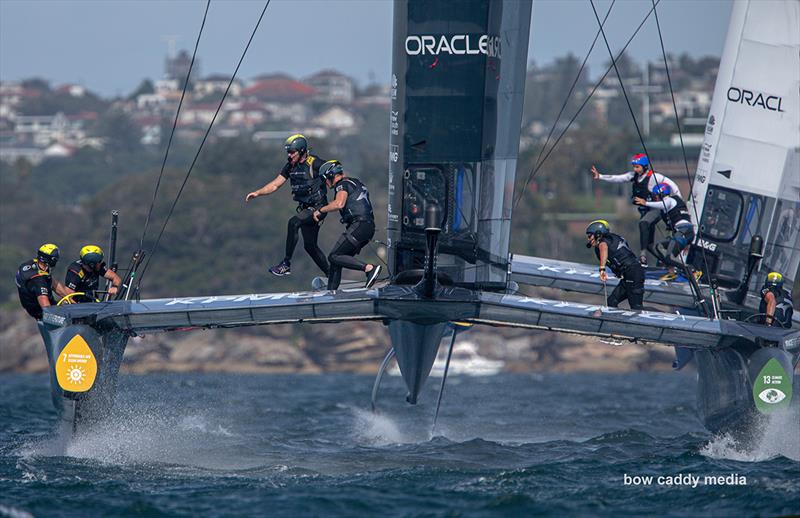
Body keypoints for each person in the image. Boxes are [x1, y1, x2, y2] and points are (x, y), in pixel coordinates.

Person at [245, 134, 329, 277]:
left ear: (302, 151)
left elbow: (335, 172)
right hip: (305, 209)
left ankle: (286, 264)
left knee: (293, 223)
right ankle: (331, 274)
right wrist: (258, 193)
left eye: (292, 152)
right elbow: (275, 184)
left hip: (318, 207)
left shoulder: (315, 163)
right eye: (288, 153)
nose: (289, 156)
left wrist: (345, 192)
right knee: (310, 246)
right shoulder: (290, 166)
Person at [591, 154, 681, 266]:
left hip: (656, 209)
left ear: (644, 166)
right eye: (634, 166)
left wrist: (678, 200)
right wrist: (600, 176)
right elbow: (618, 178)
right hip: (645, 211)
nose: (635, 169)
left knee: (643, 223)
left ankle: (642, 257)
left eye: (637, 167)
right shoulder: (633, 176)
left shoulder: (654, 177)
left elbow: (673, 185)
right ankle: (666, 261)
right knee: (649, 245)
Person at [312, 160, 382, 290]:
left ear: (331, 175)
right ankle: (331, 292)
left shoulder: (342, 185)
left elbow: (339, 204)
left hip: (359, 226)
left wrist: (320, 210)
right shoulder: (355, 181)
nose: (326, 184)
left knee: (334, 256)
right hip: (367, 227)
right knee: (337, 260)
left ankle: (369, 268)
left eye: (325, 180)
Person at [634, 182, 694, 278]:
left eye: (655, 196)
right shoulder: (673, 202)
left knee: (669, 256)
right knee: (659, 247)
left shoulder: (669, 200)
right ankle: (671, 272)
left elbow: (663, 204)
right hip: (683, 233)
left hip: (684, 231)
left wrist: (645, 203)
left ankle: (691, 270)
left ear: (661, 194)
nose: (655, 198)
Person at [585, 220, 644, 310]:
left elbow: (603, 248)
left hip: (633, 273)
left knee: (636, 308)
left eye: (589, 236)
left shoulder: (604, 242)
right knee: (612, 301)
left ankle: (665, 317)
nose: (588, 239)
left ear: (597, 234)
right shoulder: (614, 238)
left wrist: (602, 269)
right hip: (628, 275)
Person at [15, 244, 70, 320]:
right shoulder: (39, 280)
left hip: (33, 305)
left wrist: (69, 298)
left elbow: (52, 282)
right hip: (40, 312)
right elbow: (45, 304)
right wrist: (56, 319)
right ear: (52, 260)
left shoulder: (32, 264)